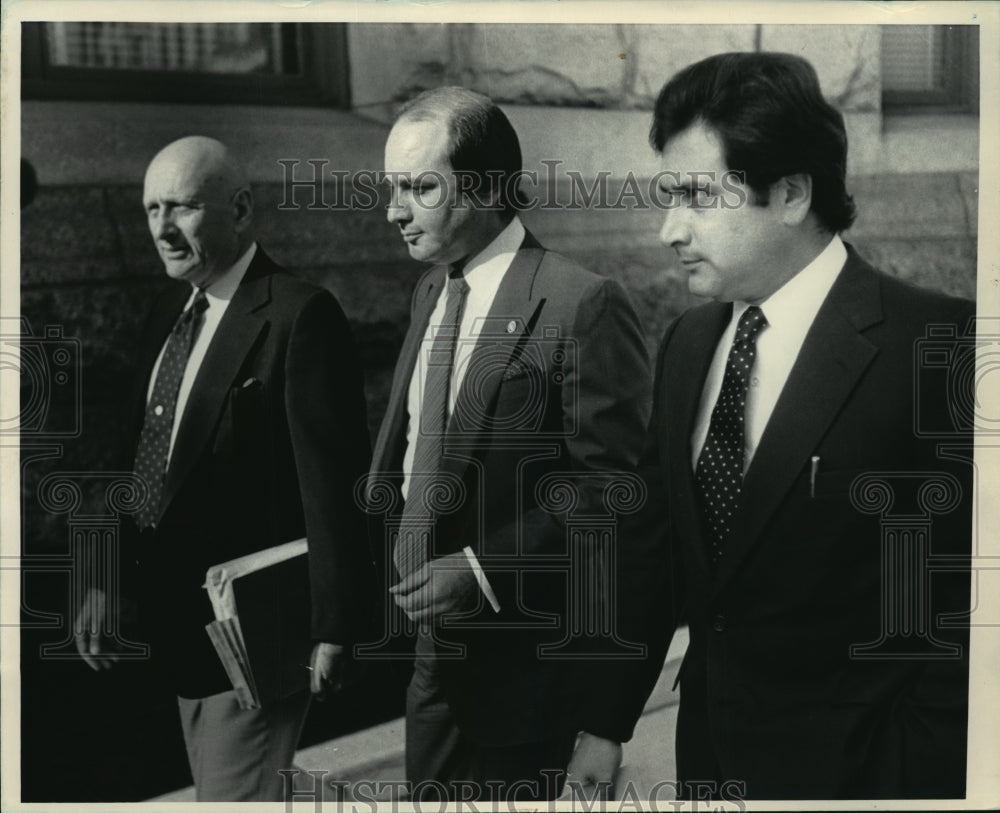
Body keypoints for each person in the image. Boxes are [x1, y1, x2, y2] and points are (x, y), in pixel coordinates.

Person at [644, 52, 974, 799]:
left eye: (697, 196)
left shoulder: (939, 347)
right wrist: (599, 716)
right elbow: (658, 544)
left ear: (790, 193)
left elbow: (969, 605)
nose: (669, 229)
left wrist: (915, 771)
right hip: (708, 768)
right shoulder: (688, 343)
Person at [367, 87, 671, 802]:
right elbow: (413, 453)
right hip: (430, 665)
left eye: (418, 187)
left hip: (528, 680)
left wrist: (480, 566)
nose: (393, 210)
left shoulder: (581, 302)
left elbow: (614, 493)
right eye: (392, 188)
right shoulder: (430, 293)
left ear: (485, 188)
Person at [73, 135, 375, 801]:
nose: (160, 228)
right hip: (176, 635)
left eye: (180, 207)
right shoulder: (166, 314)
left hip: (259, 631)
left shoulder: (298, 315)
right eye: (150, 209)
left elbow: (333, 488)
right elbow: (137, 465)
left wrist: (336, 627)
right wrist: (104, 578)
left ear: (239, 209)